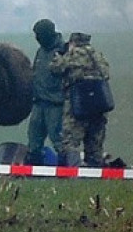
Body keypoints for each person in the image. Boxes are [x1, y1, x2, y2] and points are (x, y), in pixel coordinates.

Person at [50, 32, 111, 167]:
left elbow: (55, 69)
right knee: (95, 140)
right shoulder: (97, 55)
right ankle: (95, 170)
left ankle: (74, 170)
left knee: (70, 139)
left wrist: (58, 57)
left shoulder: (73, 54)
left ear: (73, 42)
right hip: (99, 104)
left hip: (78, 103)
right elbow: (106, 73)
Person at [26, 18, 66, 165]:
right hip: (38, 103)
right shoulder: (41, 51)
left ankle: (65, 171)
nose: (37, 38)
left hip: (55, 104)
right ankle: (34, 170)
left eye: (39, 35)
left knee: (58, 139)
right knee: (34, 138)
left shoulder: (62, 51)